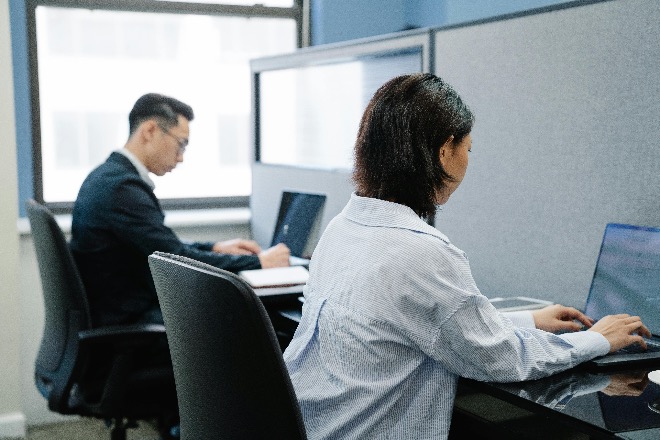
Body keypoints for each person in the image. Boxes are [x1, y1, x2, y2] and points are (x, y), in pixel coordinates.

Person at [282, 73, 651, 439]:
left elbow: (422, 324)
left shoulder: (342, 229)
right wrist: (598, 339)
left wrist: (528, 320)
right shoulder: (419, 251)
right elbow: (502, 358)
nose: (468, 160)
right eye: (468, 148)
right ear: (445, 151)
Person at [71, 93, 290, 327]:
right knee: (254, 321)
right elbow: (177, 260)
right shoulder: (121, 189)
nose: (181, 157)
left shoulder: (108, 177)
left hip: (124, 311)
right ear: (150, 131)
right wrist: (260, 263)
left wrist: (215, 247)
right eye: (181, 143)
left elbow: (161, 244)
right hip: (133, 322)